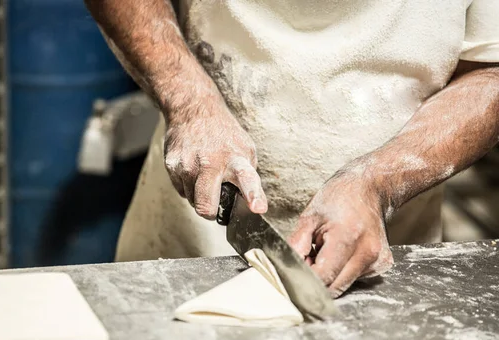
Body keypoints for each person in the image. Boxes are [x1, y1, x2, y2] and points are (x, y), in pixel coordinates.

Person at [85, 0, 499, 297]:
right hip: (187, 244)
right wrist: (190, 101)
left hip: (385, 262)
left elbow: (489, 71)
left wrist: (377, 182)